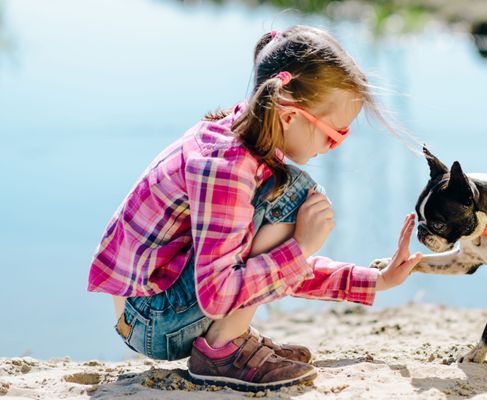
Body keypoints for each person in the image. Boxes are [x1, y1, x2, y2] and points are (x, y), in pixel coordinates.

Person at [87, 25, 423, 392]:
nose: (334, 146)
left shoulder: (241, 143)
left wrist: (375, 280)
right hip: (153, 320)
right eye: (335, 133)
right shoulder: (227, 168)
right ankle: (221, 350)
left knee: (289, 193)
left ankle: (230, 338)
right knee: (296, 193)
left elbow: (247, 258)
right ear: (289, 115)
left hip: (155, 307)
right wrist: (301, 248)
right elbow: (218, 293)